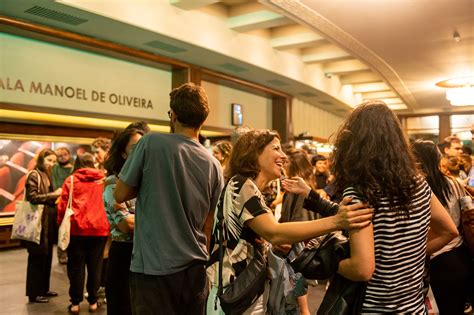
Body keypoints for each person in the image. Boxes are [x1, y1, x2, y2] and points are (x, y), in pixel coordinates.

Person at [299, 100, 458, 313]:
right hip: (414, 306)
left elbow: (362, 269)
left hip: (376, 308)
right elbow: (449, 231)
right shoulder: (418, 183)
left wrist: (332, 262)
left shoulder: (361, 191)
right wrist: (411, 256)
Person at [208, 129, 373, 314]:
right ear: (254, 152)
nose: (284, 156)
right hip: (234, 293)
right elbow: (275, 232)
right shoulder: (241, 184)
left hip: (244, 291)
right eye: (276, 148)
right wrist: (337, 221)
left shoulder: (250, 187)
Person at [114, 83, 224, 314]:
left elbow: (120, 194)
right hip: (195, 268)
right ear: (203, 120)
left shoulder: (150, 143)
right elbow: (209, 223)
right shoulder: (214, 164)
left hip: (154, 268)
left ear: (172, 115)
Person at [412, 139, 473, 314]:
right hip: (459, 257)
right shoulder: (454, 183)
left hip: (431, 261)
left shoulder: (415, 188)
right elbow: (467, 214)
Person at [57, 153, 109, 314]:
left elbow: (63, 205)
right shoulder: (103, 181)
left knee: (76, 267)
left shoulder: (71, 180)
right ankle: (93, 302)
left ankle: (75, 304)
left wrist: (60, 224)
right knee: (96, 266)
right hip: (99, 230)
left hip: (77, 230)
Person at [103, 128, 144, 315]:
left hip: (145, 255)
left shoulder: (145, 181)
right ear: (123, 153)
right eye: (135, 148)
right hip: (123, 255)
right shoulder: (113, 183)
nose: (140, 153)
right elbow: (126, 225)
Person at [23, 148, 62, 303]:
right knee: (37, 258)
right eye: (49, 160)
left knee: (46, 257)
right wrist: (54, 195)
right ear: (41, 160)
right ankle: (34, 292)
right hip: (38, 223)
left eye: (53, 161)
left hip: (47, 223)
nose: (51, 164)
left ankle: (43, 289)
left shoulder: (46, 174)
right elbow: (32, 197)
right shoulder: (34, 174)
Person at [52, 146, 73, 264]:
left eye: (64, 154)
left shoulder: (73, 169)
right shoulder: (55, 168)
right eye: (59, 156)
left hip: (71, 202)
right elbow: (55, 185)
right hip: (59, 201)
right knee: (61, 229)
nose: (62, 157)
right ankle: (62, 253)